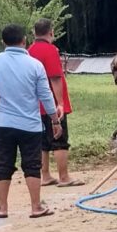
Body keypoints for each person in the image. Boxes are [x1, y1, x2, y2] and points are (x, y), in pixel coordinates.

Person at [0, 24, 61, 220]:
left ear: (3, 42)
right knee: (32, 165)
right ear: (24, 41)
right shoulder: (35, 65)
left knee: (3, 165)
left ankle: (2, 207)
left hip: (3, 123)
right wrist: (55, 120)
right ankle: (36, 206)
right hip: (30, 125)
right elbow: (45, 96)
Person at [28, 18, 84, 188]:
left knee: (42, 142)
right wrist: (59, 103)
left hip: (35, 104)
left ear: (34, 33)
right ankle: (64, 176)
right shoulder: (51, 50)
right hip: (50, 104)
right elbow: (55, 78)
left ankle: (45, 175)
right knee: (60, 140)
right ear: (51, 32)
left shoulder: (29, 51)